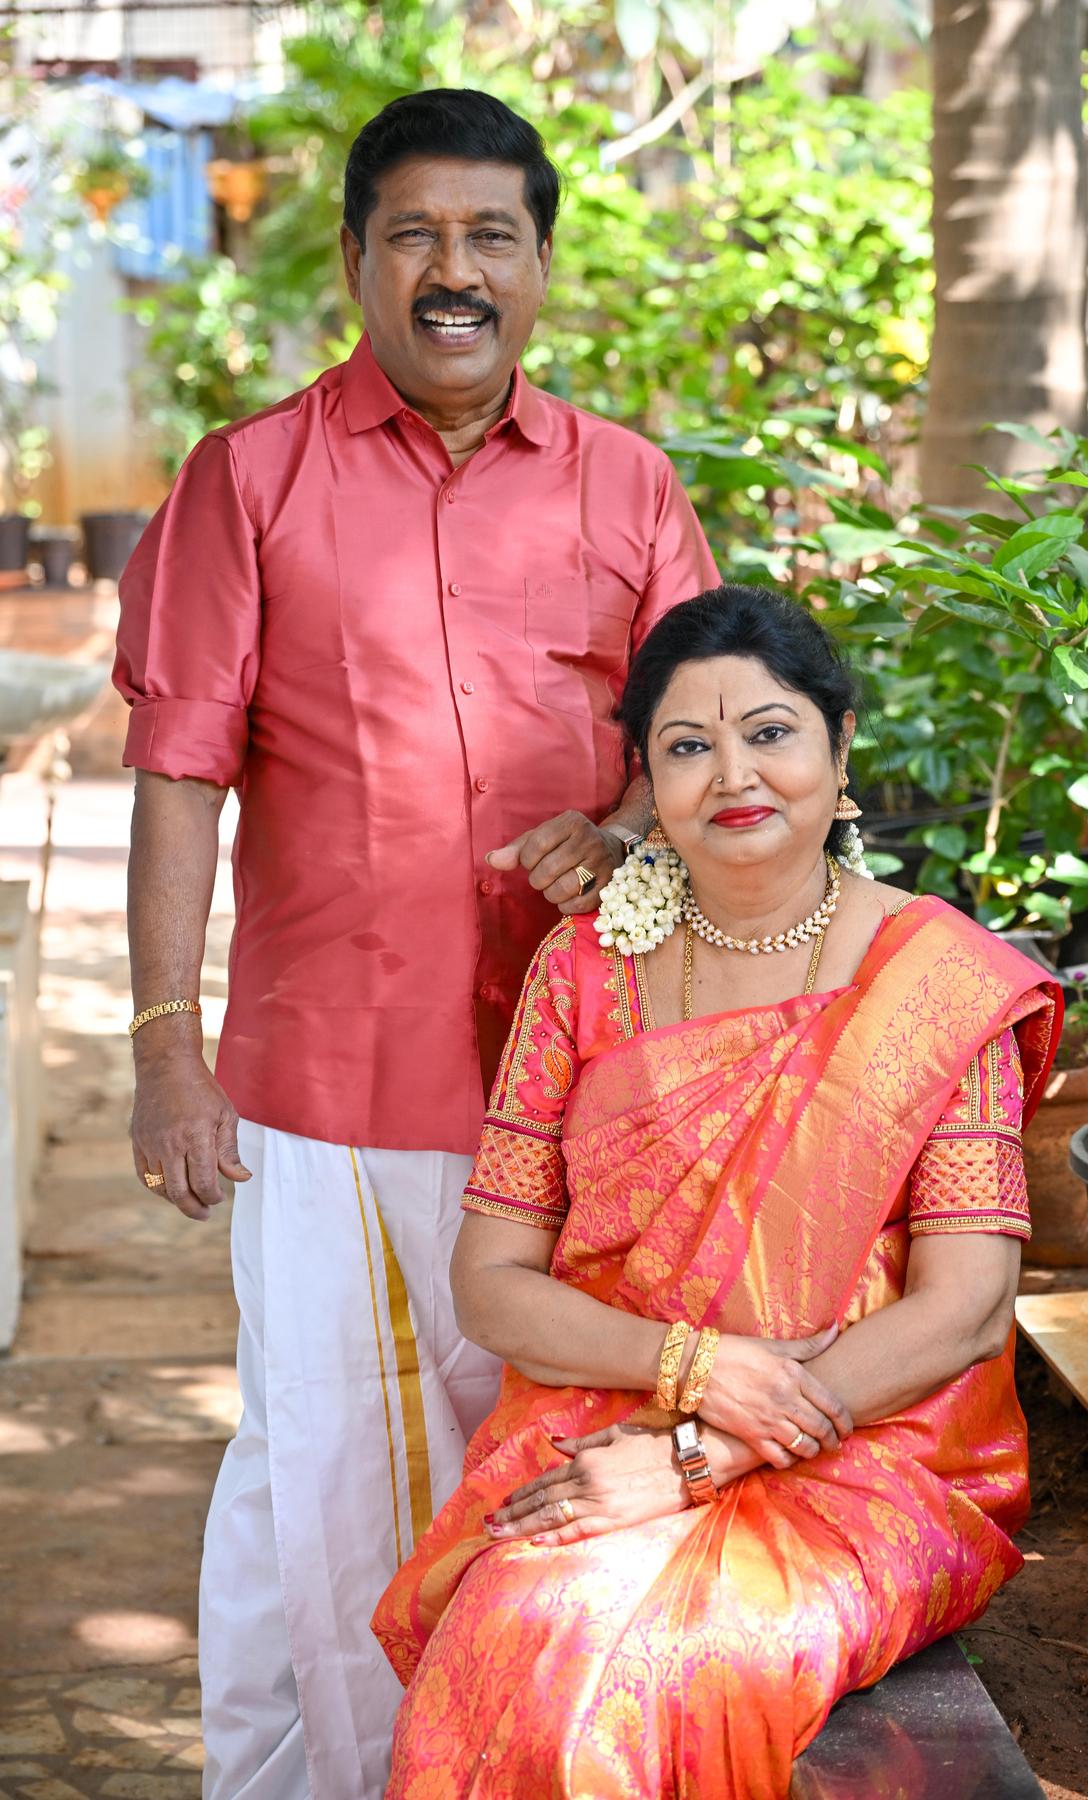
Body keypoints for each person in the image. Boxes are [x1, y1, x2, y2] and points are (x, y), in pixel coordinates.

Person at [113, 88, 716, 1799]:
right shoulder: (249, 480)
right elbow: (179, 776)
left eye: (491, 236)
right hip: (335, 1083)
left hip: (582, 1079)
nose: (456, 272)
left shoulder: (628, 484)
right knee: (331, 1464)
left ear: (541, 263)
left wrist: (625, 833)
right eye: (417, 236)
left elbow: (714, 740)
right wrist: (165, 1049)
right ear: (356, 259)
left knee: (521, 1458)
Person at [372, 584, 1063, 1797]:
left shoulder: (935, 981)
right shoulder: (585, 971)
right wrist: (692, 1372)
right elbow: (491, 1285)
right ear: (647, 782)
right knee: (514, 1626)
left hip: (869, 1445)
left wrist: (700, 1453)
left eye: (771, 732)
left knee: (644, 1667)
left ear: (841, 748)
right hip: (609, 1416)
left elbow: (963, 1309)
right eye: (689, 746)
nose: (734, 774)